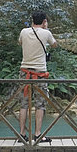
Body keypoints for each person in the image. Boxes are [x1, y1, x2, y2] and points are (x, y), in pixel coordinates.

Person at [18, 10, 58, 144]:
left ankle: (22, 135)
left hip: (24, 71)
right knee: (40, 103)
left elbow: (20, 43)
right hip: (40, 72)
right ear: (44, 21)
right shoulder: (46, 33)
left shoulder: (24, 32)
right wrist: (45, 29)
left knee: (24, 103)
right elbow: (54, 44)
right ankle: (37, 135)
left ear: (32, 20)